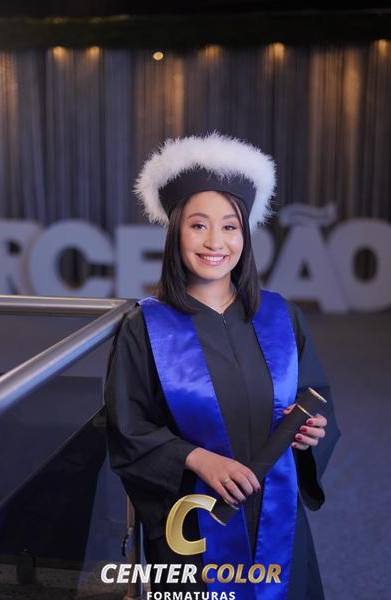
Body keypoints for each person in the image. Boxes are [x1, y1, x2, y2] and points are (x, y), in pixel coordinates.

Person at [105, 133, 341, 599]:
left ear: (245, 235)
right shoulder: (145, 327)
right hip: (194, 529)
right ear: (176, 232)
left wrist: (312, 431)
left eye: (230, 226)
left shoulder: (282, 316)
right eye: (198, 225)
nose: (215, 241)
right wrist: (196, 458)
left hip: (277, 520)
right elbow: (129, 430)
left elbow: (314, 398)